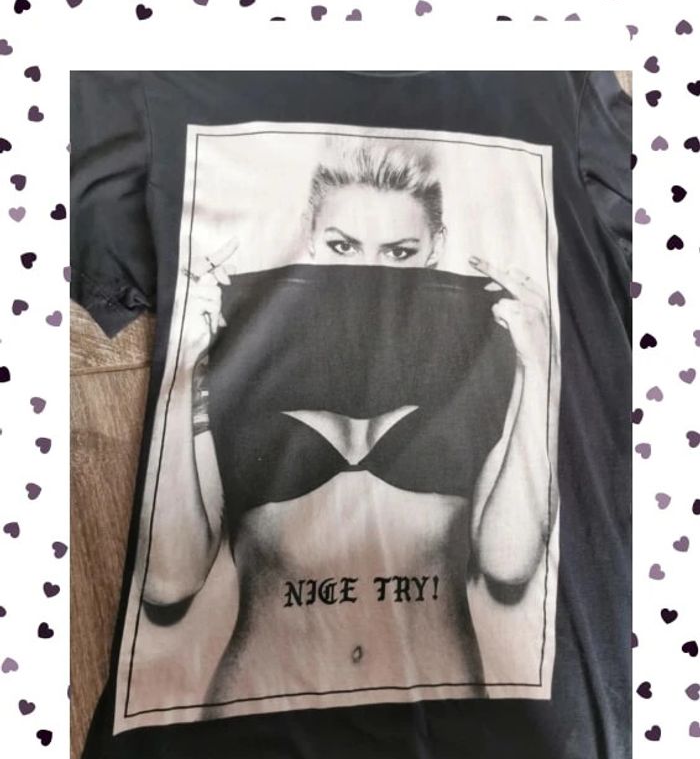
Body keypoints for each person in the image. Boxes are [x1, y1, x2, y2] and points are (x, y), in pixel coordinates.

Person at [142, 139, 559, 714]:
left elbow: (509, 563)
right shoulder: (237, 353)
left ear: (435, 248)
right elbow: (168, 580)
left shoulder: (487, 358)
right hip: (259, 716)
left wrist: (540, 367)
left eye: (399, 252)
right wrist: (181, 372)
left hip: (441, 724)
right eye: (343, 246)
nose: (368, 272)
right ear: (311, 237)